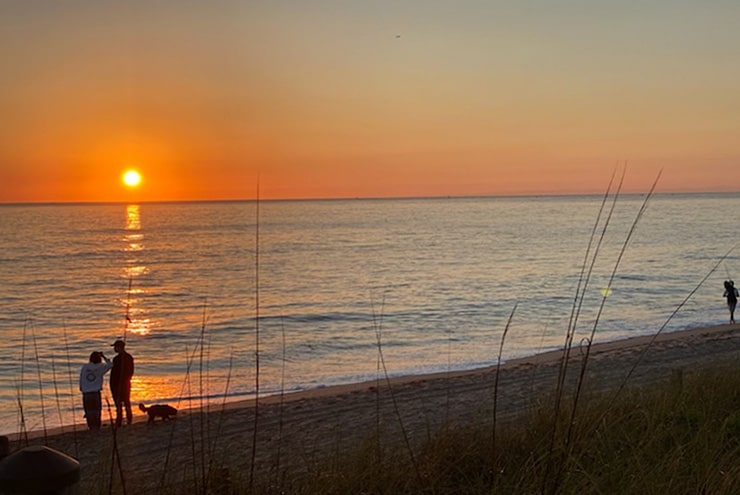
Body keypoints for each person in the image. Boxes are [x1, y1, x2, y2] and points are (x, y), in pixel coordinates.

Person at [79, 351, 112, 430]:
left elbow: (81, 378)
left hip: (86, 393)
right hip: (95, 392)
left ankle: (91, 426)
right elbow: (110, 365)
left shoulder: (85, 367)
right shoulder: (100, 367)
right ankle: (97, 426)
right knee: (96, 410)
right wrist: (104, 356)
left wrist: (81, 388)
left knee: (89, 411)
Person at [110, 339, 135, 427]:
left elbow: (114, 373)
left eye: (115, 347)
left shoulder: (116, 359)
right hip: (126, 383)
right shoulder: (129, 357)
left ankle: (119, 420)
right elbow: (131, 372)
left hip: (118, 384)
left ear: (119, 347)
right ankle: (129, 419)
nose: (114, 349)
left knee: (119, 403)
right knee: (126, 402)